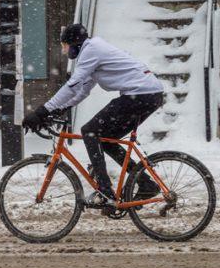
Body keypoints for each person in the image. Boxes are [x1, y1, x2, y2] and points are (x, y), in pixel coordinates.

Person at [22, 24, 165, 208]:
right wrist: (61, 108)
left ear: (74, 44)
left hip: (140, 94)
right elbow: (83, 90)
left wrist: (43, 110)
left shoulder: (91, 50)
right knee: (106, 140)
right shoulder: (92, 51)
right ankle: (146, 183)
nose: (64, 51)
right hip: (147, 94)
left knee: (90, 131)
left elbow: (73, 84)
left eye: (65, 45)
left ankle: (105, 191)